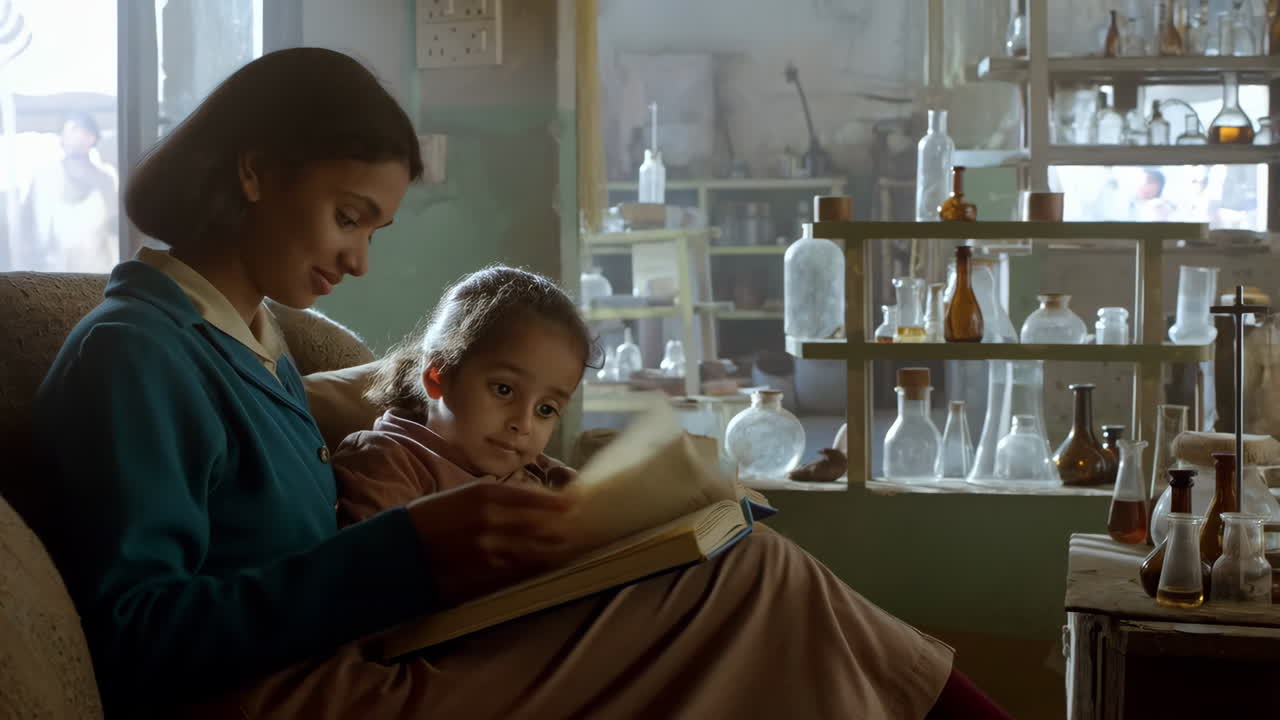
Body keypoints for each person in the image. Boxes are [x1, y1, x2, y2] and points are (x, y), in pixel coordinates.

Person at [31, 48, 1011, 719]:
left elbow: (311, 525)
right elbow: (133, 638)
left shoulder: (255, 344)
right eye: (346, 215)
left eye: (375, 229)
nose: (360, 260)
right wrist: (402, 552)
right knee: (755, 588)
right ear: (253, 173)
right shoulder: (137, 353)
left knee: (727, 568)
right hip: (297, 697)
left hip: (366, 647)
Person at [334, 265, 587, 528]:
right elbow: (370, 561)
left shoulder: (539, 471)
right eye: (504, 390)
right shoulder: (387, 461)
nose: (523, 424)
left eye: (545, 409)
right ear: (437, 376)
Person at [18, 110, 119, 271]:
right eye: (67, 131)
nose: (69, 137)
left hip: (98, 273)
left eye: (75, 130)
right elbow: (28, 226)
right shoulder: (45, 177)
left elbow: (116, 227)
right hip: (55, 274)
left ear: (91, 138)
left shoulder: (106, 179)